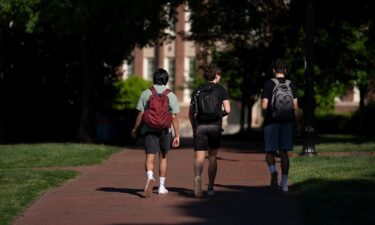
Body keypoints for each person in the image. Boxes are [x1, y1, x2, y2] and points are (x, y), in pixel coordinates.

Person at [131, 68, 180, 198]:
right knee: (163, 157)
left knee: (149, 157)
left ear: (154, 79)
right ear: (166, 79)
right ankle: (162, 187)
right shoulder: (171, 95)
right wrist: (177, 135)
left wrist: (135, 129)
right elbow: (174, 117)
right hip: (165, 130)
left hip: (149, 129)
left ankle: (150, 177)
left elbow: (140, 114)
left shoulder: (146, 93)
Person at [189, 63, 231, 197]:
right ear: (217, 76)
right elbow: (228, 109)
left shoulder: (197, 90)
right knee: (212, 156)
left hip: (200, 126)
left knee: (199, 157)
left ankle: (197, 178)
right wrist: (220, 115)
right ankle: (211, 187)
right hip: (215, 126)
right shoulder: (221, 90)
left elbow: (191, 112)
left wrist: (194, 126)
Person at [261, 59, 299, 192]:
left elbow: (264, 106)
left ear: (273, 70)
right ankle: (284, 184)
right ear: (285, 71)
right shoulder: (291, 85)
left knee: (269, 151)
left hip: (272, 122)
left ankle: (273, 172)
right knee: (284, 153)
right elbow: (295, 108)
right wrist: (297, 124)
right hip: (287, 122)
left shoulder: (268, 84)